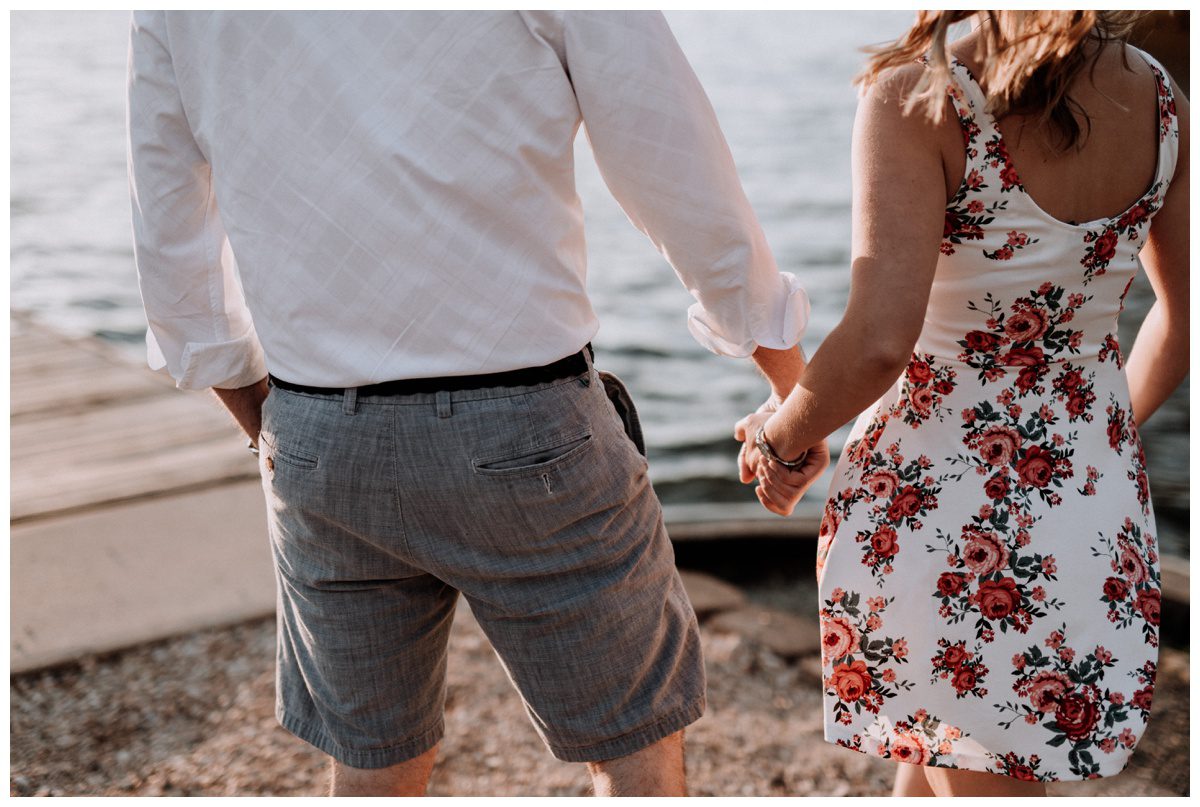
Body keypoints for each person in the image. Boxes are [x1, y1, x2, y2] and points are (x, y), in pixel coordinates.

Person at [127, 11, 825, 797]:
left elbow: (172, 253)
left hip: (315, 435)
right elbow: (674, 164)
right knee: (634, 746)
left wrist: (277, 430)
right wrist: (789, 384)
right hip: (528, 428)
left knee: (370, 763)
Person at [736, 10, 1188, 797]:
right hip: (1088, 494)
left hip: (941, 507)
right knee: (936, 760)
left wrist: (779, 438)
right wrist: (1096, 433)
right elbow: (1185, 318)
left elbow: (880, 340)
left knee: (978, 774)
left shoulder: (922, 92)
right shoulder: (1156, 93)